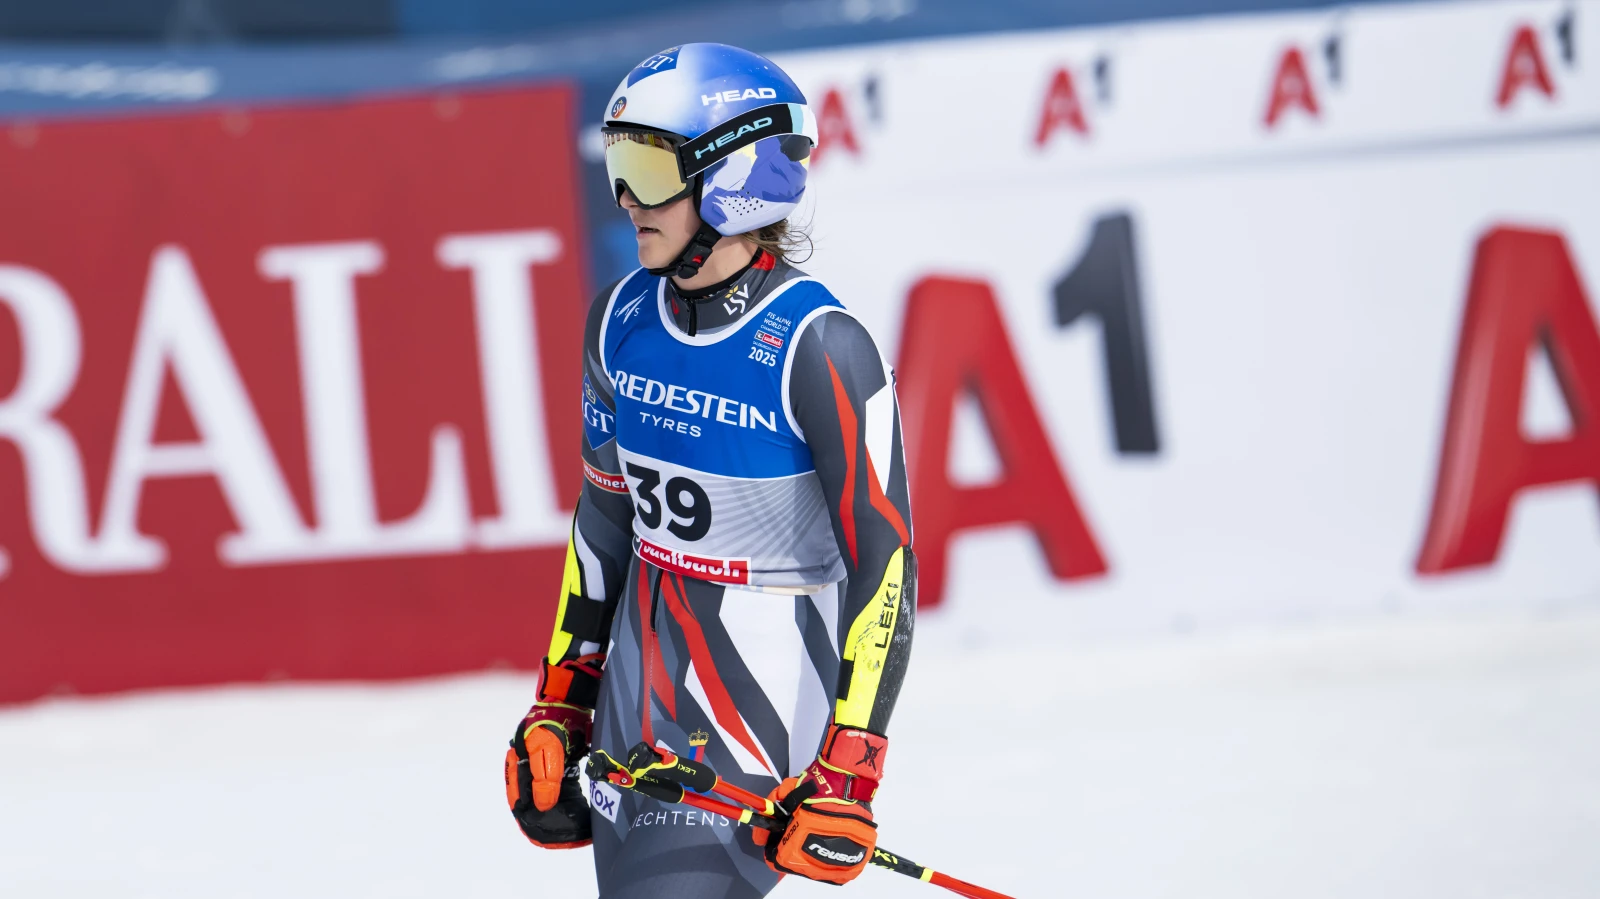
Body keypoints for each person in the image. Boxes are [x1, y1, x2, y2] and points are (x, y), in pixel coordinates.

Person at [504, 43, 916, 898]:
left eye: (650, 168)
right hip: (634, 690)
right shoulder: (618, 318)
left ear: (733, 179)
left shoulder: (821, 346)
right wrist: (561, 702)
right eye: (619, 162)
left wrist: (850, 767)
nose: (623, 198)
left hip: (756, 705)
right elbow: (605, 521)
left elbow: (888, 565)